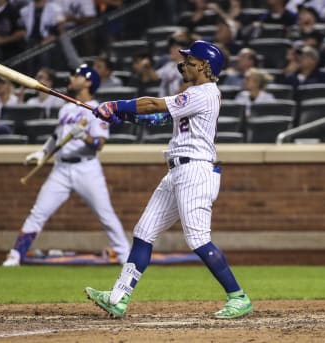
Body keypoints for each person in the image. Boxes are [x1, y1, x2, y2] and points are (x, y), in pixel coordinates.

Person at [85, 41, 253, 319]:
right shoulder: (191, 93)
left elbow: (152, 104)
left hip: (195, 172)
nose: (183, 64)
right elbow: (158, 117)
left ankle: (238, 297)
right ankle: (119, 297)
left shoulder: (206, 93)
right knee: (143, 232)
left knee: (198, 239)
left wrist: (115, 104)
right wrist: (120, 115)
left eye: (189, 60)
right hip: (177, 172)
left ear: (203, 65)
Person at [2, 64, 130, 267]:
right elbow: (56, 136)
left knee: (106, 215)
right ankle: (16, 255)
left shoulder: (97, 109)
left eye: (76, 75)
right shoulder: (66, 108)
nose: (71, 78)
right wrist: (43, 152)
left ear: (88, 82)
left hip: (87, 168)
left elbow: (99, 145)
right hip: (61, 169)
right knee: (38, 212)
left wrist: (85, 137)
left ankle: (126, 257)